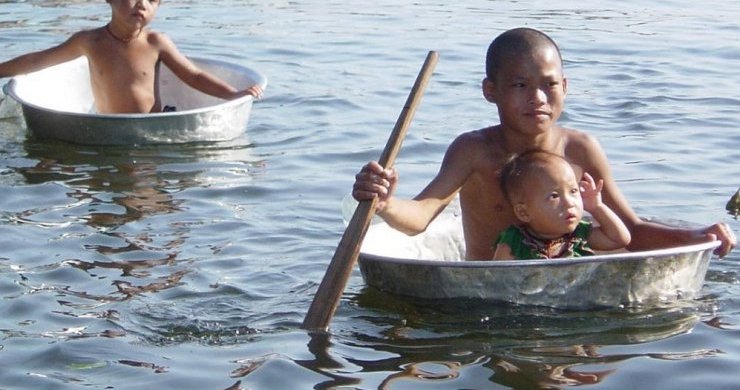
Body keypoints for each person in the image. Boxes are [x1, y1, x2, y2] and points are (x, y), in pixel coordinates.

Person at [352, 27, 736, 260]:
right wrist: (385, 203)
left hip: (565, 282)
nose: (537, 97)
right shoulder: (474, 151)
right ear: (491, 91)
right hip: (489, 292)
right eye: (519, 85)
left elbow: (630, 230)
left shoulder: (580, 150)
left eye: (549, 84)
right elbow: (421, 216)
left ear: (565, 88)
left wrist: (696, 236)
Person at [0, 0, 263, 114]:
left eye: (153, 0)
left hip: (152, 126)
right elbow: (39, 61)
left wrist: (232, 94)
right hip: (108, 127)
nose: (143, 4)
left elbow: (193, 75)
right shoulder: (90, 42)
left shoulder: (155, 42)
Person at [492, 149, 630, 260]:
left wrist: (597, 207)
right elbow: (500, 277)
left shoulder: (579, 233)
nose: (569, 202)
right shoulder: (514, 241)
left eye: (573, 191)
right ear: (524, 212)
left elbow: (619, 239)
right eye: (554, 196)